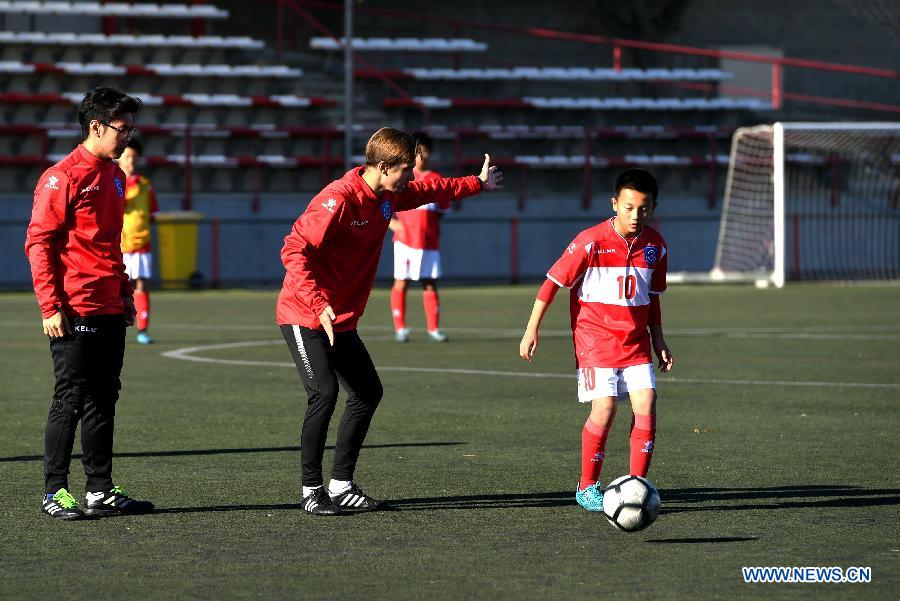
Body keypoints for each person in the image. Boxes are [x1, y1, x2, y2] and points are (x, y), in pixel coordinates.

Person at [277, 127, 502, 515]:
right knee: (324, 394)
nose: (411, 177)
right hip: (304, 312)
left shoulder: (386, 195)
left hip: (342, 318)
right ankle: (312, 491)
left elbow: (431, 191)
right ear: (383, 166)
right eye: (405, 169)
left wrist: (476, 185)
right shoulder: (337, 199)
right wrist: (318, 304)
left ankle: (342, 485)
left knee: (367, 393)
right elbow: (294, 249)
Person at [25, 87, 155, 520]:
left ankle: (100, 489)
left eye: (133, 128)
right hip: (73, 306)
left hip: (108, 307)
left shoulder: (116, 175)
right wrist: (49, 306)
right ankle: (54, 491)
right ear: (95, 126)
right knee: (71, 398)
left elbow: (110, 245)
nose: (129, 137)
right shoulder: (61, 177)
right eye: (123, 129)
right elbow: (39, 243)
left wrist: (124, 293)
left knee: (104, 397)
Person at [518, 169, 673, 513]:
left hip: (636, 343)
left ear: (653, 208)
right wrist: (532, 329)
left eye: (644, 209)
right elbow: (551, 284)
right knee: (605, 408)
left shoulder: (656, 246)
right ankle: (587, 486)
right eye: (629, 207)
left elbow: (654, 297)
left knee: (647, 405)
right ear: (615, 204)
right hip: (595, 340)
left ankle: (637, 486)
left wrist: (659, 338)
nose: (636, 216)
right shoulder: (591, 241)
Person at [388, 132, 450, 342]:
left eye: (424, 151)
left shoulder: (436, 180)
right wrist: (392, 223)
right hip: (404, 242)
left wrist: (428, 229)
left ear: (429, 153)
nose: (420, 155)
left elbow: (441, 211)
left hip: (428, 242)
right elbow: (381, 205)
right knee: (401, 283)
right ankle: (400, 328)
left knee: (430, 283)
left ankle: (433, 329)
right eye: (417, 151)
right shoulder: (402, 176)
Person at [119, 137, 159, 344]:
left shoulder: (145, 186)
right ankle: (116, 327)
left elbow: (152, 214)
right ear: (119, 159)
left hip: (142, 244)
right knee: (116, 287)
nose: (130, 162)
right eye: (127, 157)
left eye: (134, 157)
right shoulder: (113, 182)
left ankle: (143, 329)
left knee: (141, 286)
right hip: (118, 245)